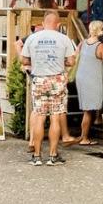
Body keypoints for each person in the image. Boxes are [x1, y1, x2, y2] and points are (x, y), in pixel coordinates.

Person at [18, 9, 77, 165]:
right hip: (57, 80)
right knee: (55, 117)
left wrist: (36, 62)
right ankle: (52, 155)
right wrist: (59, 62)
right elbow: (71, 62)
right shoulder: (64, 39)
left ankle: (37, 156)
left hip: (39, 80)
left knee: (39, 116)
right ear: (57, 24)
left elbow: (24, 60)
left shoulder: (32, 38)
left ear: (43, 23)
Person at [74, 20, 103, 145]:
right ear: (101, 30)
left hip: (81, 77)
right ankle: (84, 138)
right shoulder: (100, 46)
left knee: (88, 108)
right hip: (93, 79)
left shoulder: (82, 43)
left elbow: (75, 56)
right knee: (88, 110)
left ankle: (95, 122)